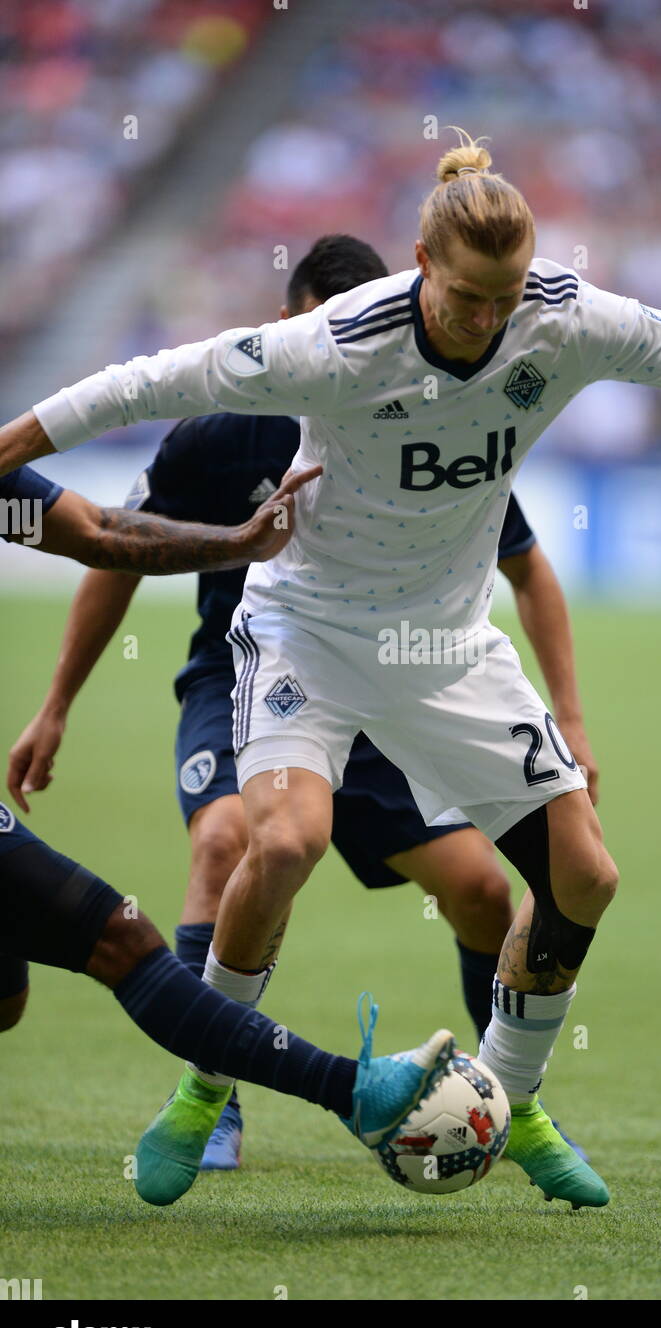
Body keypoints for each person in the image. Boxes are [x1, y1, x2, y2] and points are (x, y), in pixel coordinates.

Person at [0, 130, 661, 1211]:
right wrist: (4, 450)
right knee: (281, 838)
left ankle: (506, 1102)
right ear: (421, 268)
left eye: (506, 295)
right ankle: (204, 1090)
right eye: (469, 297)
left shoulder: (558, 316)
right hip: (308, 633)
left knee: (585, 877)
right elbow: (144, 380)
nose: (489, 319)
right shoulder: (337, 343)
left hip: (446, 649)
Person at [8, 235, 597, 1173]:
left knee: (487, 892)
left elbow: (529, 569)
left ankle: (508, 1106)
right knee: (231, 841)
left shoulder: (422, 414)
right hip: (252, 677)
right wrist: (56, 704)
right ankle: (215, 1092)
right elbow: (103, 548)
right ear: (289, 328)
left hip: (392, 692)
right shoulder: (215, 432)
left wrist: (567, 714)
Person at [0, 465, 456, 1204]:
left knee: (18, 995)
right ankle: (347, 1089)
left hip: (348, 678)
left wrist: (237, 541)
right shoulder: (212, 439)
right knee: (125, 938)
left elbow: (97, 533)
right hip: (244, 678)